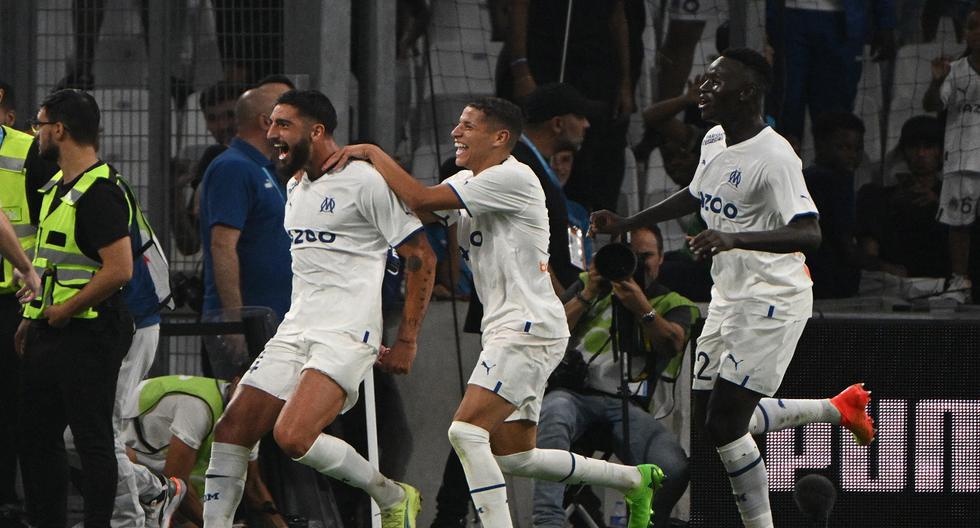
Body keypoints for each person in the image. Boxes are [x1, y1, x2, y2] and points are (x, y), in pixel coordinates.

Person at [324, 96, 662, 528]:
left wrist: (371, 153)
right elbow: (418, 210)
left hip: (527, 328)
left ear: (500, 138)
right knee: (516, 457)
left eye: (467, 125)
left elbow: (420, 195)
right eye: (458, 124)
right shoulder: (474, 183)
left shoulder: (510, 177)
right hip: (514, 328)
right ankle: (634, 480)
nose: (455, 132)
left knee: (465, 433)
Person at [590, 48, 875, 528]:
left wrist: (733, 237)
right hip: (729, 296)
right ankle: (836, 407)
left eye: (715, 82)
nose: (702, 88)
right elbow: (699, 191)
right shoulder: (716, 137)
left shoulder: (776, 156)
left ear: (745, 93)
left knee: (725, 423)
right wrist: (627, 221)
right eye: (704, 78)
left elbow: (811, 233)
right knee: (712, 421)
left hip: (773, 299)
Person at [200, 89, 436, 528]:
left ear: (318, 130)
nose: (271, 134)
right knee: (231, 431)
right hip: (295, 329)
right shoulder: (294, 186)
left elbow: (421, 256)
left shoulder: (364, 180)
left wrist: (406, 340)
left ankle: (391, 494)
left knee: (292, 436)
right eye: (270, 124)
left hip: (346, 333)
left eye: (283, 124)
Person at [15, 89, 134, 528]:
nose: (36, 133)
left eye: (40, 124)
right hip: (53, 333)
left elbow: (119, 270)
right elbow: (51, 268)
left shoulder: (99, 192)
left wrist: (67, 310)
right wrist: (34, 321)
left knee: (92, 440)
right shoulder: (56, 190)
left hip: (90, 333)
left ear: (59, 129)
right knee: (36, 437)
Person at [536, 225, 696, 528]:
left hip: (628, 406)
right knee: (553, 412)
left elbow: (672, 343)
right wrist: (588, 293)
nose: (635, 263)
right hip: (572, 395)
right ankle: (547, 521)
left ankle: (644, 524)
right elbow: (548, 333)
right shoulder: (588, 286)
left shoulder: (673, 303)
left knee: (673, 467)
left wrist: (641, 307)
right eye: (628, 255)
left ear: (661, 258)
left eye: (644, 256)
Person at [122, 375, 287, 528]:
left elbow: (253, 485)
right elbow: (176, 484)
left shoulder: (250, 420)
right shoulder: (199, 407)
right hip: (131, 449)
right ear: (237, 383)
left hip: (167, 470)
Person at [0, 80, 56, 521]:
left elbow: (56, 221)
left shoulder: (29, 152)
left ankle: (19, 504)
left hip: (19, 299)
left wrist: (32, 276)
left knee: (22, 409)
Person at [198, 82, 292, 325]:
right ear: (265, 122)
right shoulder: (233, 168)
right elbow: (222, 246)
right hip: (251, 322)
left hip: (273, 318)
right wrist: (235, 322)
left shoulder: (265, 168)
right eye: (286, 120)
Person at [923, 9, 980, 303]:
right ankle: (959, 281)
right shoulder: (955, 71)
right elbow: (932, 104)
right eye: (972, 26)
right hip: (961, 162)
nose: (977, 32)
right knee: (959, 225)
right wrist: (936, 81)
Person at [856, 115, 949, 280]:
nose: (921, 154)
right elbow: (868, 249)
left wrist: (939, 204)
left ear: (941, 152)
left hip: (941, 275)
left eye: (928, 147)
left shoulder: (953, 197)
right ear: (904, 151)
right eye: (914, 147)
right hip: (893, 279)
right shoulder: (877, 197)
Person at [802, 112, 865, 299]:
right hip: (829, 283)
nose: (852, 155)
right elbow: (844, 245)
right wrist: (881, 265)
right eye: (844, 147)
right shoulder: (832, 182)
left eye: (857, 149)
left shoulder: (804, 176)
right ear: (820, 145)